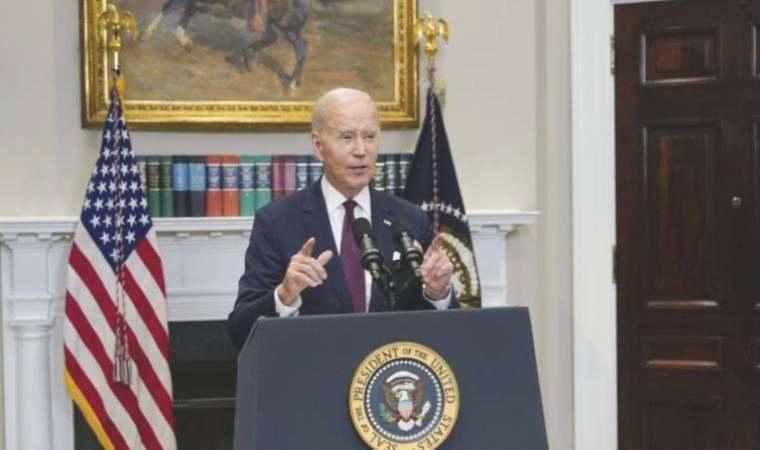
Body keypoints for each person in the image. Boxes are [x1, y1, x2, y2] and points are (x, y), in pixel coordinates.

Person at [227, 88, 457, 349]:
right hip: (316, 370)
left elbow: (446, 333)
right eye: (347, 137)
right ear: (318, 146)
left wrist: (437, 293)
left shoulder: (409, 219)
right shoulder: (277, 222)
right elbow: (240, 331)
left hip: (389, 372)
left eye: (369, 136)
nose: (361, 150)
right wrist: (285, 294)